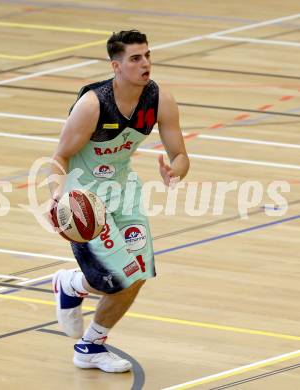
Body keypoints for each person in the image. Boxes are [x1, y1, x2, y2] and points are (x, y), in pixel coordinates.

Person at [48, 30, 190, 373]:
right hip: (86, 200)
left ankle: (90, 343)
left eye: (147, 55)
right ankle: (75, 286)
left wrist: (175, 170)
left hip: (124, 192)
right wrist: (58, 197)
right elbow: (59, 157)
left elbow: (181, 153)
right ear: (116, 66)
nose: (145, 64)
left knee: (137, 273)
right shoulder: (93, 104)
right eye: (135, 58)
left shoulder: (160, 99)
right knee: (116, 278)